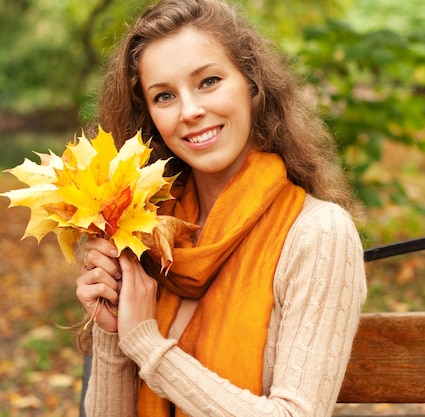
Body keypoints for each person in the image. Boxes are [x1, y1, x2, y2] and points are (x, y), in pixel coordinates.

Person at [75, 0, 367, 416]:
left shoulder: (318, 234)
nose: (190, 111)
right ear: (150, 117)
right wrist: (113, 330)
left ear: (251, 84)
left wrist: (145, 343)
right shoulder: (143, 236)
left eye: (209, 81)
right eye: (164, 96)